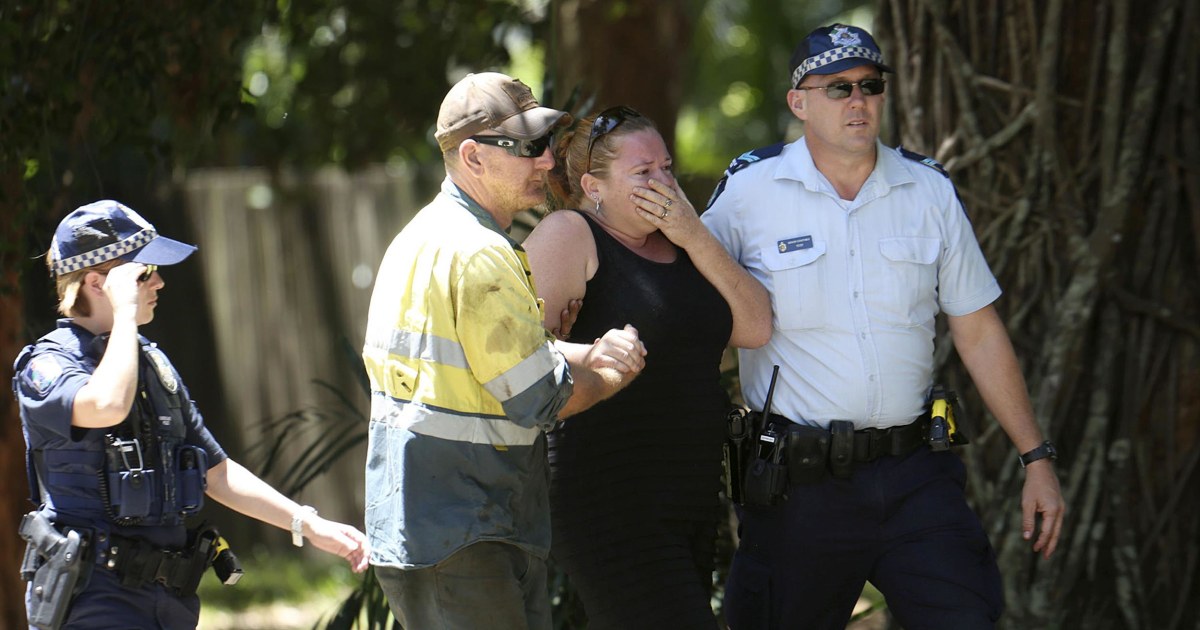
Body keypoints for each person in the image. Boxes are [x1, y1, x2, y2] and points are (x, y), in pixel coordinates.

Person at [700, 23, 1066, 629]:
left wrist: (1037, 457)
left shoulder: (928, 189)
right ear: (798, 102)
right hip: (800, 483)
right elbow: (691, 304)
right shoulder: (749, 191)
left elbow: (977, 329)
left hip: (916, 474)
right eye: (838, 87)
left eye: (870, 85)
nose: (857, 100)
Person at [361, 72, 647, 630]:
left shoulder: (420, 237)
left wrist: (579, 350)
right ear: (472, 157)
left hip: (423, 525)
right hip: (471, 531)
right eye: (528, 148)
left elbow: (474, 369)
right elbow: (541, 399)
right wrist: (616, 370)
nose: (546, 161)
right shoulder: (481, 255)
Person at [12, 200, 369, 630]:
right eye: (144, 273)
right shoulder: (47, 366)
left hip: (169, 602)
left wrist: (308, 524)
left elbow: (215, 473)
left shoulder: (149, 363)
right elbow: (106, 405)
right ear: (96, 282)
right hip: (95, 601)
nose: (159, 282)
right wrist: (125, 314)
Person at [521, 106, 772, 629]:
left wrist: (695, 234)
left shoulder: (685, 243)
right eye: (643, 173)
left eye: (667, 168)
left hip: (689, 497)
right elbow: (509, 348)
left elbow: (755, 328)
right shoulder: (570, 234)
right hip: (610, 498)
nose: (664, 183)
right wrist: (579, 352)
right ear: (595, 186)